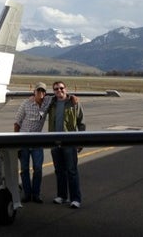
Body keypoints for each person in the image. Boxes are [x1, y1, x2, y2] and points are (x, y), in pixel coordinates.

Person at [47, 81, 83, 209]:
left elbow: (81, 122)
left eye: (61, 88)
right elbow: (38, 100)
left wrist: (80, 140)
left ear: (65, 89)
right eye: (56, 89)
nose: (59, 91)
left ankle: (76, 199)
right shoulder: (51, 103)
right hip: (55, 142)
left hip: (69, 142)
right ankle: (62, 196)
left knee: (72, 171)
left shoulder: (74, 103)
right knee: (59, 171)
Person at [13, 82, 48, 203]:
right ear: (34, 92)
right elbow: (17, 122)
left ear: (45, 93)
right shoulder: (26, 103)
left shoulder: (47, 103)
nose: (41, 93)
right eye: (38, 90)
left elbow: (61, 96)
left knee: (38, 169)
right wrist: (17, 142)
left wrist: (72, 97)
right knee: (24, 169)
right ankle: (27, 194)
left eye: (43, 91)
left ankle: (36, 194)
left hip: (37, 141)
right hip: (24, 140)